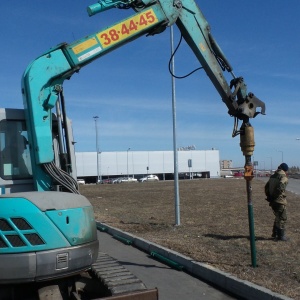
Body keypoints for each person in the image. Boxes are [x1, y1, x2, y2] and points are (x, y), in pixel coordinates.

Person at [264, 163, 289, 241]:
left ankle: (275, 233)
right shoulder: (283, 177)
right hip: (279, 201)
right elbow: (281, 186)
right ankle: (281, 236)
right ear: (285, 170)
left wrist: (269, 196)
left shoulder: (272, 176)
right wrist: (277, 195)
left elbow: (266, 187)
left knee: (277, 216)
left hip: (273, 200)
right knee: (282, 218)